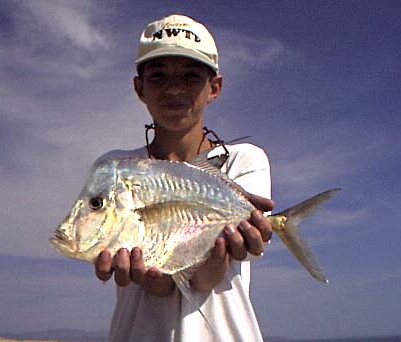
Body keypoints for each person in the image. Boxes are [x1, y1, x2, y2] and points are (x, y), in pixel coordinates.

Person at [94, 14, 274, 342]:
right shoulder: (115, 169)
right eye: (158, 77)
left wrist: (196, 262)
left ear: (214, 88)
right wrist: (153, 279)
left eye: (190, 77)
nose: (174, 89)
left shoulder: (243, 161)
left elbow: (206, 280)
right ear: (139, 87)